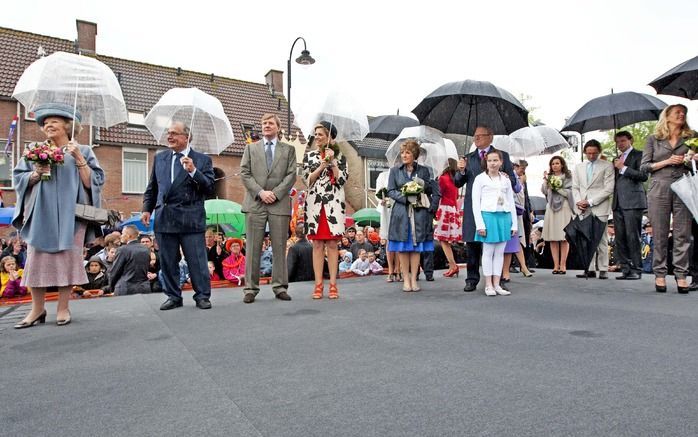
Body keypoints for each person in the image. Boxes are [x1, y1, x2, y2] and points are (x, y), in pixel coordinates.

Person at [12, 103, 105, 328]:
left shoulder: (82, 150)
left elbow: (95, 182)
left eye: (54, 121)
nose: (48, 125)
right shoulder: (34, 150)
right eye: (45, 122)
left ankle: (63, 307)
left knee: (67, 259)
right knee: (36, 260)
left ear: (68, 125)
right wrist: (34, 174)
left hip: (71, 215)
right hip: (41, 213)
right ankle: (37, 309)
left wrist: (78, 159)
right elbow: (18, 178)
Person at [142, 121, 215, 310]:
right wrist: (146, 209)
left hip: (190, 218)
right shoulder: (160, 158)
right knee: (167, 260)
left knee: (196, 260)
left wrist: (193, 171)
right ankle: (173, 296)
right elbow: (153, 187)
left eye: (175, 133)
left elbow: (209, 187)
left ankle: (202, 296)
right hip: (165, 217)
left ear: (187, 137)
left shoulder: (202, 160)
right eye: (169, 133)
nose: (170, 136)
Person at [239, 113, 296, 303]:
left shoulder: (288, 150)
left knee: (279, 247)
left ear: (278, 128)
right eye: (264, 123)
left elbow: (291, 175)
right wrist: (261, 192)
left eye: (271, 123)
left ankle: (279, 287)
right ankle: (250, 289)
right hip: (255, 202)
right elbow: (245, 173)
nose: (266, 126)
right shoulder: (250, 148)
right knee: (253, 247)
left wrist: (276, 193)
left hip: (279, 204)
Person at [641, 104, 695, 293]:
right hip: (659, 187)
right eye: (677, 112)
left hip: (683, 185)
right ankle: (660, 274)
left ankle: (681, 275)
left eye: (684, 113)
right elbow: (645, 167)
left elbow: (693, 165)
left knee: (683, 233)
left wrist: (692, 160)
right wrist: (667, 161)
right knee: (660, 233)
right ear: (668, 116)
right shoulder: (653, 139)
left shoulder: (691, 137)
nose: (681, 115)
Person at [455, 126, 516, 292]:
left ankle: (498, 280)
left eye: (480, 136)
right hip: (473, 207)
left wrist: (508, 177)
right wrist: (461, 171)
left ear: (490, 137)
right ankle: (472, 278)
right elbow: (457, 182)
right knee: (473, 244)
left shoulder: (502, 156)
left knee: (496, 246)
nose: (476, 139)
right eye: (475, 136)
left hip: (497, 208)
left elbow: (512, 181)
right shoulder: (468, 158)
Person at [387, 139, 440, 292]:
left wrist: (422, 186)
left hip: (418, 213)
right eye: (402, 152)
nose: (404, 155)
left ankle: (414, 278)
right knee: (403, 247)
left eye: (408, 152)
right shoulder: (395, 171)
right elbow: (390, 190)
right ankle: (406, 279)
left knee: (416, 248)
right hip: (401, 213)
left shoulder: (423, 170)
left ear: (414, 155)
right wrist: (406, 196)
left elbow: (430, 189)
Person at [303, 121, 348, 299]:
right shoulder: (310, 156)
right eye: (315, 134)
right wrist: (322, 165)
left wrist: (333, 162)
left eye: (320, 134)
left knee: (331, 244)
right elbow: (306, 180)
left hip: (334, 205)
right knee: (317, 244)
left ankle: (334, 285)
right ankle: (318, 285)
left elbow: (342, 180)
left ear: (330, 137)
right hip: (315, 204)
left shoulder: (342, 157)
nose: (317, 137)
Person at [472, 149, 517, 296]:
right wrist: (480, 224)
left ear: (501, 162)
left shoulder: (505, 180)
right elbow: (475, 203)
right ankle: (488, 285)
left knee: (500, 253)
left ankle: (497, 284)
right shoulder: (480, 179)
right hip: (488, 217)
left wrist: (514, 224)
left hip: (504, 216)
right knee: (488, 251)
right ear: (486, 162)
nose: (492, 163)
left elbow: (511, 201)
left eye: (495, 160)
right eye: (490, 160)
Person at [572, 140, 615, 279]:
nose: (591, 156)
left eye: (594, 153)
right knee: (585, 237)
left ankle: (603, 268)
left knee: (601, 238)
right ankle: (589, 268)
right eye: (589, 153)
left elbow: (608, 188)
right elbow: (575, 187)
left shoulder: (607, 166)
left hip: (599, 206)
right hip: (582, 207)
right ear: (585, 152)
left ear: (599, 152)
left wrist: (590, 201)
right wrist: (579, 201)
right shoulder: (578, 167)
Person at [611, 131, 648, 280]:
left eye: (623, 141)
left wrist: (623, 168)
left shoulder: (640, 155)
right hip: (618, 202)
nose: (620, 144)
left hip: (633, 201)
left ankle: (637, 269)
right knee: (620, 237)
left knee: (633, 236)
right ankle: (625, 268)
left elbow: (644, 176)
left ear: (630, 140)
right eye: (618, 141)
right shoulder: (616, 159)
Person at [541, 156, 575, 274]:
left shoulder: (568, 177)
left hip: (564, 207)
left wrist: (558, 188)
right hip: (551, 207)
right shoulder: (550, 177)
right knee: (553, 238)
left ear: (562, 165)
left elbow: (571, 193)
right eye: (553, 164)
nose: (555, 165)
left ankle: (563, 265)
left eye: (557, 163)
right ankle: (555, 265)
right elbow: (544, 191)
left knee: (564, 237)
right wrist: (546, 182)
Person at [434, 158, 461, 278]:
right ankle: (452, 265)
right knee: (446, 240)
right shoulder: (455, 180)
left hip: (444, 208)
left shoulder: (442, 178)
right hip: (453, 209)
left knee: (442, 239)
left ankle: (453, 265)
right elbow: (456, 196)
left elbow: (438, 194)